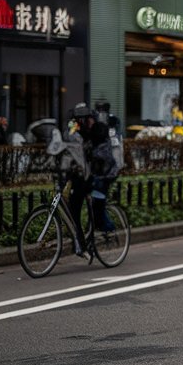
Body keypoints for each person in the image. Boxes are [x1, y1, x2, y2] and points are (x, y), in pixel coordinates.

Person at [67, 102, 119, 256]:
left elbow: (102, 157)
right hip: (88, 174)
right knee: (73, 205)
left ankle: (105, 226)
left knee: (97, 205)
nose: (80, 123)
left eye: (82, 120)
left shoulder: (100, 130)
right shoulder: (79, 131)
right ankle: (80, 242)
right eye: (77, 120)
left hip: (104, 175)